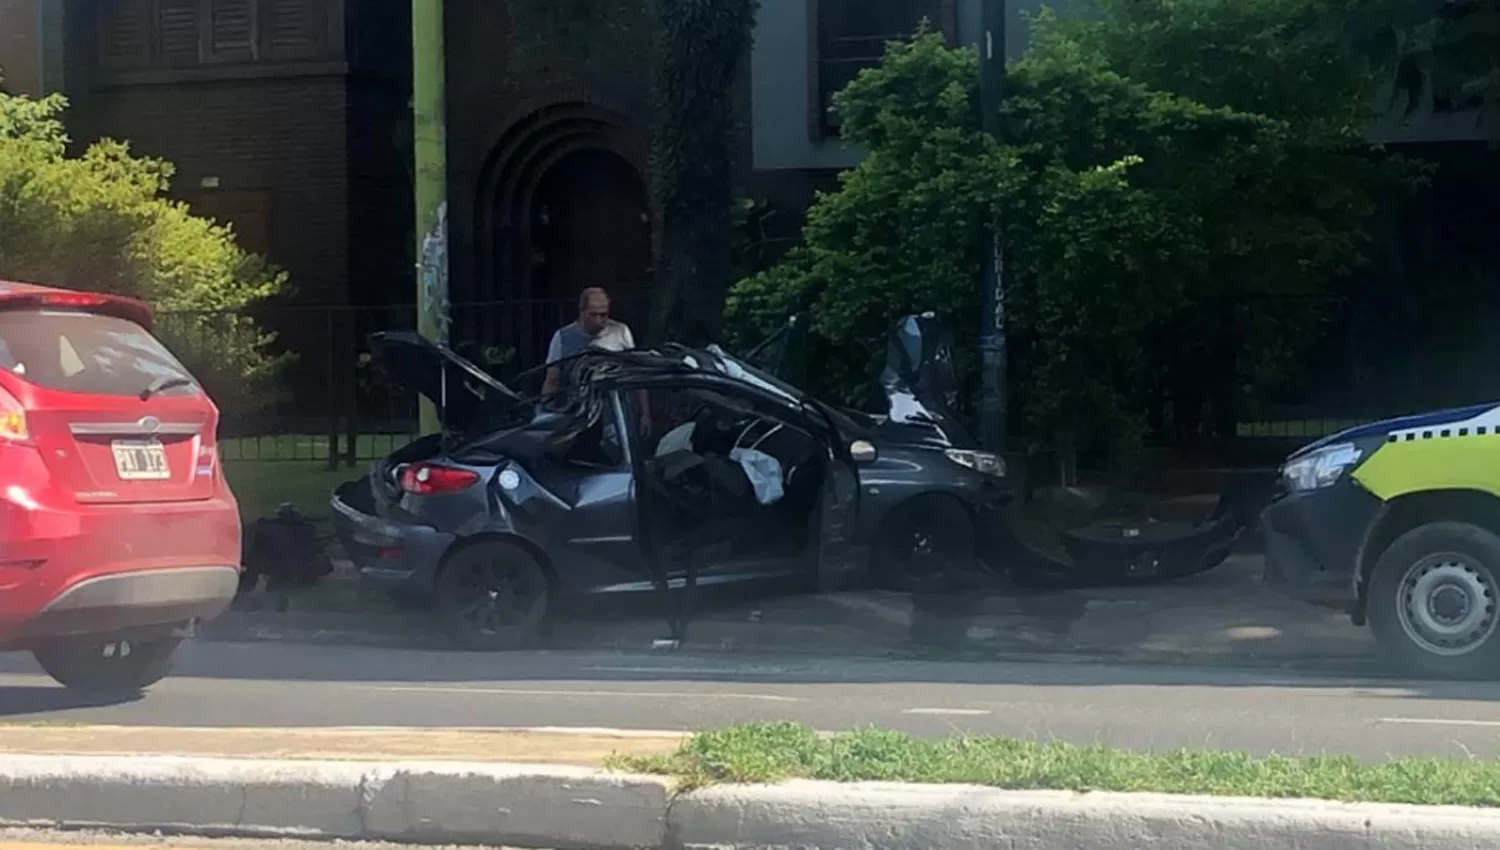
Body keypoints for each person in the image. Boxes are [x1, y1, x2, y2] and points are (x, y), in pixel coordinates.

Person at [542, 287, 650, 431]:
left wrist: (645, 413)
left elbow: (636, 374)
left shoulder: (620, 332)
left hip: (616, 415)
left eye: (603, 315)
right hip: (578, 415)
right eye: (593, 315)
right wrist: (546, 416)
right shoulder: (563, 338)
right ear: (582, 312)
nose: (599, 320)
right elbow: (552, 380)